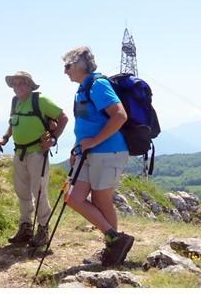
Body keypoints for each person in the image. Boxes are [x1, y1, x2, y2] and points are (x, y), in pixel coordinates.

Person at [62, 46, 134, 266]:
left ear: (81, 64)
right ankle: (116, 241)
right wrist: (77, 148)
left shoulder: (98, 84)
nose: (65, 71)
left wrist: (92, 142)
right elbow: (85, 124)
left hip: (108, 152)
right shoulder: (83, 89)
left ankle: (112, 249)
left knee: (101, 201)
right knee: (72, 197)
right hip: (88, 153)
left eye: (68, 65)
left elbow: (120, 115)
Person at [0, 71, 68, 248]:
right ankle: (25, 227)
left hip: (37, 152)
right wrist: (5, 138)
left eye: (22, 83)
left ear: (29, 85)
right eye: (15, 84)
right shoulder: (15, 101)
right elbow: (13, 122)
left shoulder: (40, 101)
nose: (17, 87)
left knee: (39, 190)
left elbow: (63, 117)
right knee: (22, 191)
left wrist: (53, 139)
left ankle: (43, 229)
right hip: (20, 152)